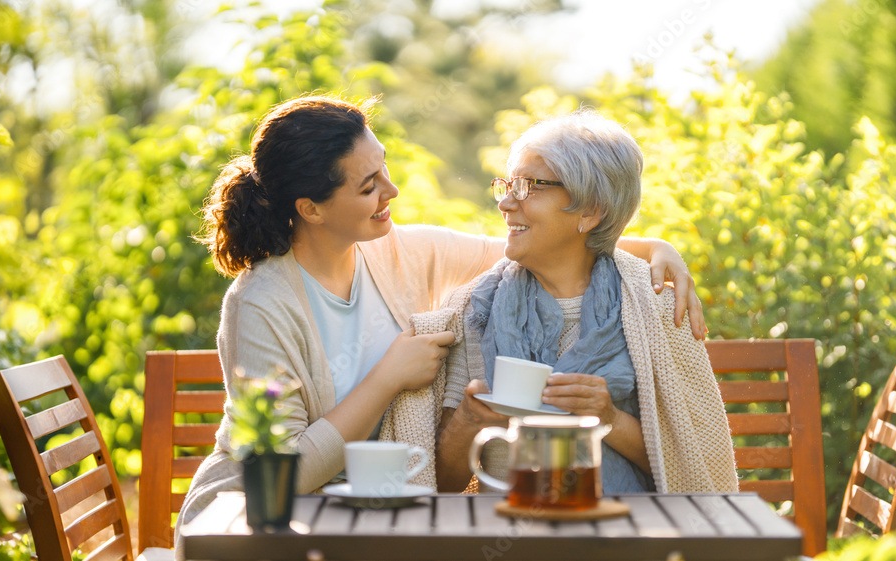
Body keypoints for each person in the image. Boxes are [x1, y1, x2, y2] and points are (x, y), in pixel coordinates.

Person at [175, 96, 707, 549]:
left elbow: (531, 244)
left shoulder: (401, 251)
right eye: (367, 186)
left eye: (383, 167)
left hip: (378, 517)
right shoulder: (260, 305)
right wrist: (389, 377)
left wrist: (656, 247)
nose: (392, 191)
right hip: (259, 523)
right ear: (311, 208)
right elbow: (280, 473)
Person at [434, 109, 738, 494]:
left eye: (530, 186)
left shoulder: (654, 303)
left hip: (629, 539)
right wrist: (467, 421)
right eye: (508, 185)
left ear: (591, 210)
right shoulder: (476, 308)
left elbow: (693, 465)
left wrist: (607, 417)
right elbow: (443, 484)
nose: (506, 203)